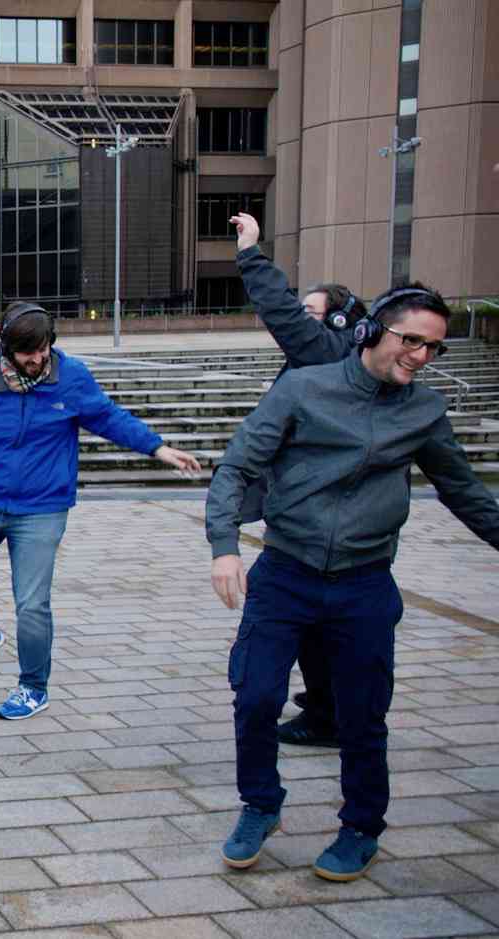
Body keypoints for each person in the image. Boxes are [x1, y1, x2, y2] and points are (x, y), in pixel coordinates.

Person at [207, 284, 499, 882]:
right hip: (285, 573)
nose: (420, 356)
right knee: (257, 695)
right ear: (370, 332)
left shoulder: (424, 412)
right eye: (410, 340)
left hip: (364, 585)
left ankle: (361, 826)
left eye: (433, 348)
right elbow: (238, 465)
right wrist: (224, 548)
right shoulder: (303, 389)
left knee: (363, 716)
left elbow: (465, 492)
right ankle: (261, 805)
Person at [0, 302, 201, 719]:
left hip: (42, 508)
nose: (38, 360)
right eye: (28, 354)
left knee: (32, 604)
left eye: (43, 350)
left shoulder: (70, 377)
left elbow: (108, 417)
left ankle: (33, 687)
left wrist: (158, 446)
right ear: (6, 348)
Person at [231, 211, 369, 749]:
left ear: (338, 323)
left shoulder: (326, 354)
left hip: (325, 526)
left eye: (312, 313)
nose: (298, 322)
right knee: (316, 624)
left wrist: (249, 254)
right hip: (306, 517)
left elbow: (281, 315)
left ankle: (332, 714)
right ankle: (327, 707)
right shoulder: (321, 361)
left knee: (312, 621)